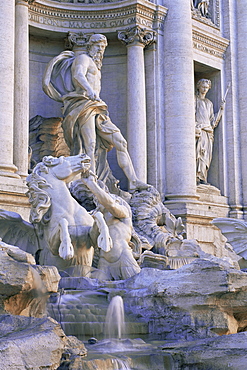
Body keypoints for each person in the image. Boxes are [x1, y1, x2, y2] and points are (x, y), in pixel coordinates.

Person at [43, 33, 147, 192]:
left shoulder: (97, 65)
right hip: (84, 104)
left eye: (103, 47)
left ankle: (133, 181)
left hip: (97, 106)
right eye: (98, 46)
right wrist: (89, 90)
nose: (100, 50)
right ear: (90, 46)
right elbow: (78, 75)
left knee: (121, 142)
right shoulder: (83, 59)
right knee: (89, 144)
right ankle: (89, 180)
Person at [81, 171, 141, 280]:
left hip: (123, 258)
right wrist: (97, 221)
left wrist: (91, 184)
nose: (99, 202)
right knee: (98, 291)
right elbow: (94, 240)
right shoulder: (99, 217)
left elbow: (111, 205)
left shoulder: (123, 213)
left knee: (136, 288)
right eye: (97, 201)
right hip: (104, 262)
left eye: (100, 199)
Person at [195, 79, 223, 185]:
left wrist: (220, 111)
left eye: (206, 88)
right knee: (199, 154)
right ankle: (197, 177)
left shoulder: (209, 103)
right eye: (203, 87)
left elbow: (212, 121)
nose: (204, 89)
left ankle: (203, 177)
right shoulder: (195, 100)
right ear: (198, 86)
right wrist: (198, 127)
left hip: (208, 133)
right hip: (200, 131)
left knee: (206, 156)